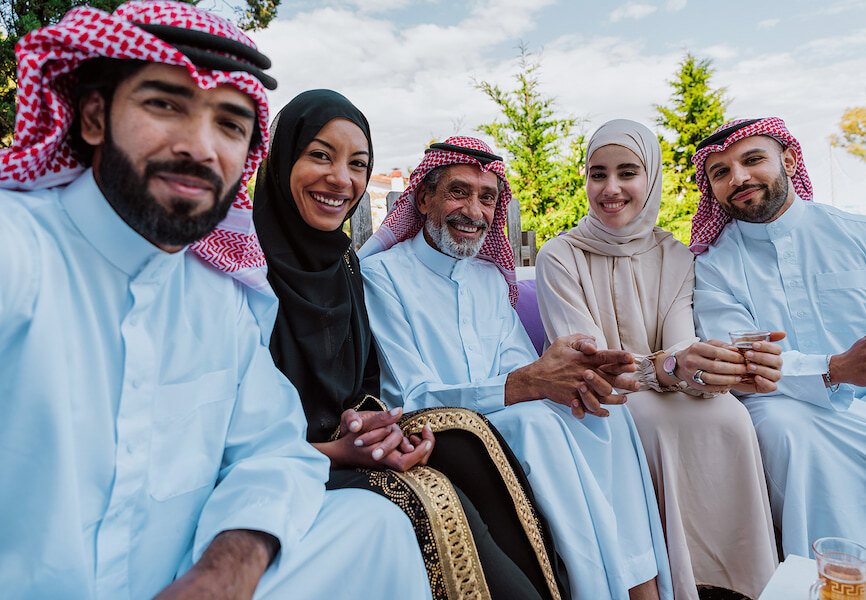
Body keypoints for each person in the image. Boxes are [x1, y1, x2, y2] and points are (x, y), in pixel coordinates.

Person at [0, 3, 431, 599]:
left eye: (230, 124)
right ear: (94, 117)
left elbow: (273, 453)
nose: (202, 147)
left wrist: (225, 572)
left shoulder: (218, 288)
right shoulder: (19, 248)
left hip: (188, 575)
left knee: (378, 527)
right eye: (166, 105)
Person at [253, 89, 565, 600]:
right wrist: (338, 448)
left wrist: (364, 426)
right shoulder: (241, 267)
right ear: (284, 156)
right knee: (441, 499)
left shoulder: (343, 268)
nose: (341, 179)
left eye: (357, 164)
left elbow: (361, 390)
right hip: (286, 466)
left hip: (355, 452)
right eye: (319, 155)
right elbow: (233, 423)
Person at [359, 136, 675, 600]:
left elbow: (522, 367)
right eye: (459, 192)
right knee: (537, 424)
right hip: (437, 427)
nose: (475, 210)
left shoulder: (489, 277)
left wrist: (576, 372)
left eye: (488, 198)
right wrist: (526, 383)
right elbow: (413, 393)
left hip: (508, 409)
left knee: (604, 410)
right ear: (424, 199)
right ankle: (594, 589)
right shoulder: (382, 276)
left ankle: (639, 584)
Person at [535, 119, 779, 600]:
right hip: (601, 401)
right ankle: (674, 585)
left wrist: (702, 367)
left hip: (668, 385)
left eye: (627, 172)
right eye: (597, 173)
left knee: (729, 417)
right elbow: (592, 364)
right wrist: (671, 368)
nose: (610, 188)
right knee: (644, 420)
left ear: (651, 179)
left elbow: (682, 343)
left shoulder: (675, 253)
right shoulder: (558, 255)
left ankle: (738, 584)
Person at [690, 117, 866, 579]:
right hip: (786, 409)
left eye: (752, 159)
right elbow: (745, 364)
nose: (738, 178)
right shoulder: (714, 267)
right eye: (720, 172)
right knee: (783, 425)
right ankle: (833, 579)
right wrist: (834, 368)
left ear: (787, 159)